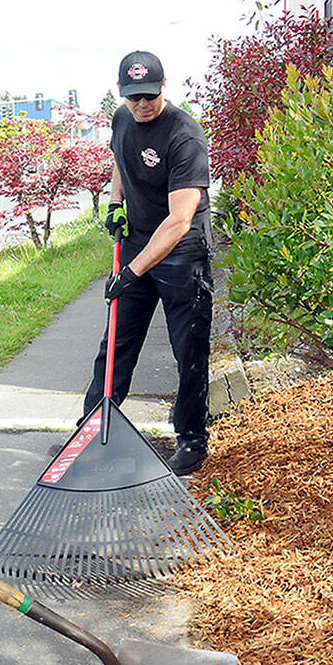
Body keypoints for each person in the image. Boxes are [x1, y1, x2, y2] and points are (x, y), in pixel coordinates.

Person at [83, 50, 215, 476]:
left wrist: (131, 272)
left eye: (149, 96)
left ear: (163, 86)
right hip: (138, 244)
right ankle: (90, 430)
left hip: (181, 256)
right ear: (122, 92)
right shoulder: (122, 118)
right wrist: (116, 201)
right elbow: (121, 159)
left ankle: (192, 441)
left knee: (188, 350)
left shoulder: (184, 135)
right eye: (133, 96)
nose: (142, 105)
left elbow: (179, 220)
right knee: (116, 345)